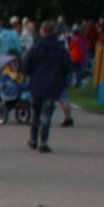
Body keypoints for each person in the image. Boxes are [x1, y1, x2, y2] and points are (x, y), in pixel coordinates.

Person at [23, 18, 73, 153]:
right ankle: (43, 142)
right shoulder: (60, 48)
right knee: (47, 115)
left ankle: (33, 139)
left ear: (43, 31)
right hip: (53, 85)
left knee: (35, 114)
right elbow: (68, 66)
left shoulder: (36, 47)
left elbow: (26, 66)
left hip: (37, 85)